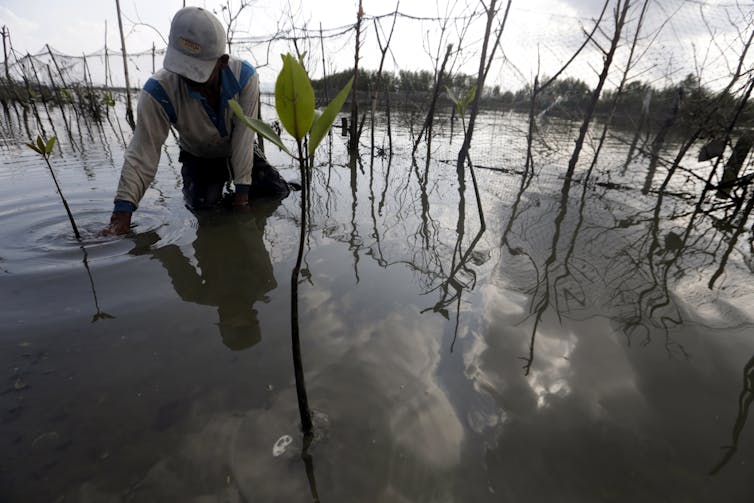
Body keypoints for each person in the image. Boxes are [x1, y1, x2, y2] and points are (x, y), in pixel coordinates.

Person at [102, 6, 288, 236]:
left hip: (238, 150)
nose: (188, 78)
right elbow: (142, 154)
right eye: (183, 68)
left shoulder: (244, 77)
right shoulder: (158, 92)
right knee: (204, 212)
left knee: (277, 192)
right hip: (198, 156)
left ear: (222, 62)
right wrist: (120, 218)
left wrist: (242, 200)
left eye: (197, 71)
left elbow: (243, 139)